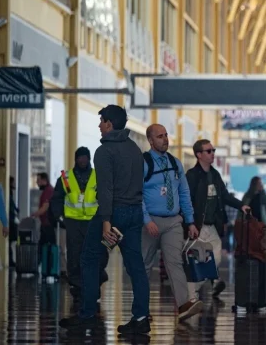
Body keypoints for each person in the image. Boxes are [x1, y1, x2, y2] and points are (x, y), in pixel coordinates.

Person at [60, 105, 151, 335]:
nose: (99, 125)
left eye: (101, 121)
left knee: (89, 258)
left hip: (113, 214)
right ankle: (141, 317)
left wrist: (106, 221)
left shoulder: (104, 151)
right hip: (134, 213)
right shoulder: (134, 148)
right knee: (135, 265)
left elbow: (106, 189)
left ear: (109, 124)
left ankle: (88, 315)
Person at [140, 124, 202, 322]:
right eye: (160, 136)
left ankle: (183, 305)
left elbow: (184, 193)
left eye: (166, 135)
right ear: (150, 141)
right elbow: (137, 194)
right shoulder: (143, 162)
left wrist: (190, 221)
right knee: (145, 265)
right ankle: (141, 309)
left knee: (175, 262)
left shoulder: (175, 163)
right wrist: (146, 220)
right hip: (150, 222)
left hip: (174, 222)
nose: (165, 139)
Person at [186, 139, 250, 300]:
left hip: (213, 225)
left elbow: (225, 196)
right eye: (208, 151)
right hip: (198, 226)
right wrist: (190, 223)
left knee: (216, 257)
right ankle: (191, 294)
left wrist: (241, 205)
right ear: (199, 155)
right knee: (201, 259)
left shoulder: (215, 175)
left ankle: (194, 290)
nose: (212, 153)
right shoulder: (192, 176)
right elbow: (186, 200)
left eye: (213, 150)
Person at [50, 147, 109, 301]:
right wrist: (59, 217)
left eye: (85, 157)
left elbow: (106, 196)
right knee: (75, 256)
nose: (83, 160)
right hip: (73, 222)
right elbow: (57, 198)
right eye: (80, 157)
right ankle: (78, 287)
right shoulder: (66, 178)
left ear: (89, 159)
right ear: (75, 159)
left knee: (98, 254)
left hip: (94, 221)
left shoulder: (98, 176)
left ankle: (96, 281)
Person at [33, 172, 56, 259]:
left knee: (45, 245)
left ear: (44, 180)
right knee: (43, 244)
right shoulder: (47, 190)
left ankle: (44, 263)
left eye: (38, 180)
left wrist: (35, 214)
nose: (37, 182)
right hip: (46, 223)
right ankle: (42, 263)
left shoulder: (48, 190)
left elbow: (45, 206)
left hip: (48, 223)